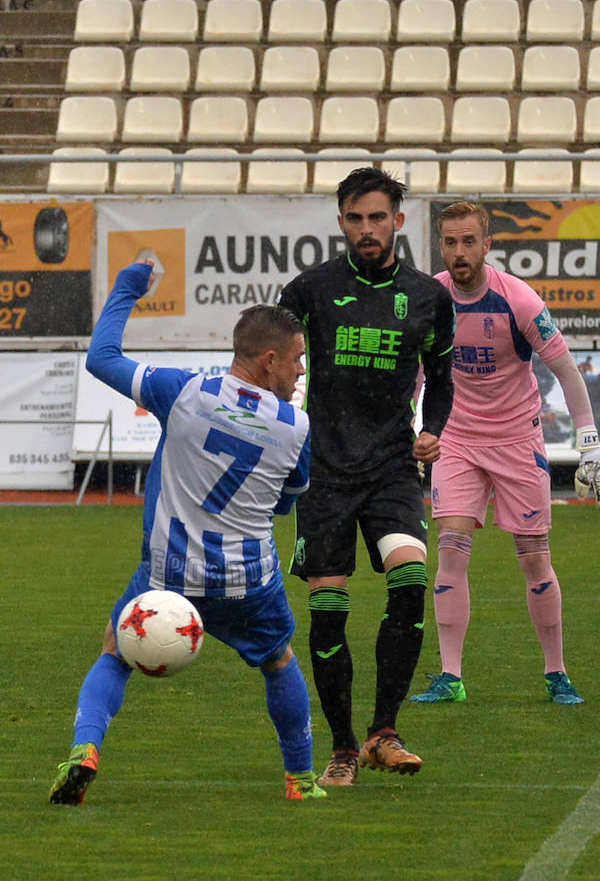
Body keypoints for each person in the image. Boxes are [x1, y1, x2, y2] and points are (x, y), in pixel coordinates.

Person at [49, 258, 327, 805]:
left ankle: (85, 750)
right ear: (268, 361)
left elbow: (101, 358)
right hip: (249, 581)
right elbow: (289, 502)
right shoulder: (296, 427)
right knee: (278, 661)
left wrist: (129, 288)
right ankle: (300, 780)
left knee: (112, 651)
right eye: (297, 361)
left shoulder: (182, 391)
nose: (300, 373)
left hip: (168, 574)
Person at [277, 167, 455, 786]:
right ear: (341, 223)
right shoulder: (309, 290)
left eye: (377, 217)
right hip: (325, 472)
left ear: (398, 221)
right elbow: (272, 360)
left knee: (410, 575)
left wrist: (433, 425)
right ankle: (345, 747)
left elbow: (443, 377)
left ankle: (385, 730)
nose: (366, 229)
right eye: (355, 219)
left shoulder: (428, 298)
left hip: (392, 468)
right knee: (329, 607)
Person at [411, 201, 600, 707]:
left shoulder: (517, 299)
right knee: (449, 547)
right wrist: (407, 429)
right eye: (450, 242)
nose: (458, 251)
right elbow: (417, 372)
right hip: (458, 439)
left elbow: (566, 371)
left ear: (487, 245)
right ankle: (450, 676)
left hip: (518, 440)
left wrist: (589, 443)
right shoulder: (431, 298)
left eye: (468, 241)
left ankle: (556, 672)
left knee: (534, 558)